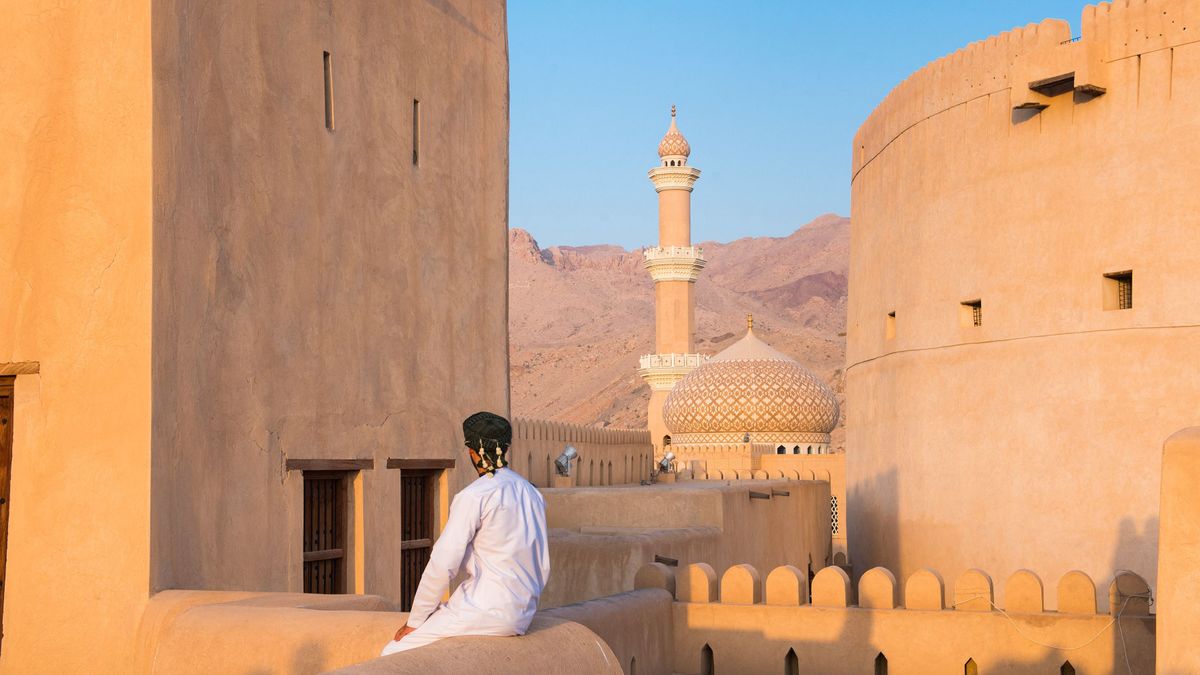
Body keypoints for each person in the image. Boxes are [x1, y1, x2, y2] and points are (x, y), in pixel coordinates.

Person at [380, 411, 550, 656]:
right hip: (523, 614)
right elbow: (542, 565)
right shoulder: (532, 493)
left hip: (484, 609)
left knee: (394, 652)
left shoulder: (474, 495)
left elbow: (444, 562)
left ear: (473, 451)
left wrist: (415, 621)